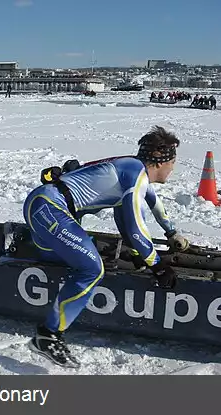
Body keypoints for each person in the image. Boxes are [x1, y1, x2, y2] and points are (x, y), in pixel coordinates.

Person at [23, 126, 189, 367]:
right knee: (92, 269)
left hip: (45, 206)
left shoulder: (132, 168)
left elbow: (143, 208)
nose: (173, 168)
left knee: (71, 257)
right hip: (49, 209)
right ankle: (48, 335)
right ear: (160, 161)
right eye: (173, 162)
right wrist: (157, 265)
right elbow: (134, 226)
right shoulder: (136, 176)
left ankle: (11, 256)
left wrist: (168, 234)